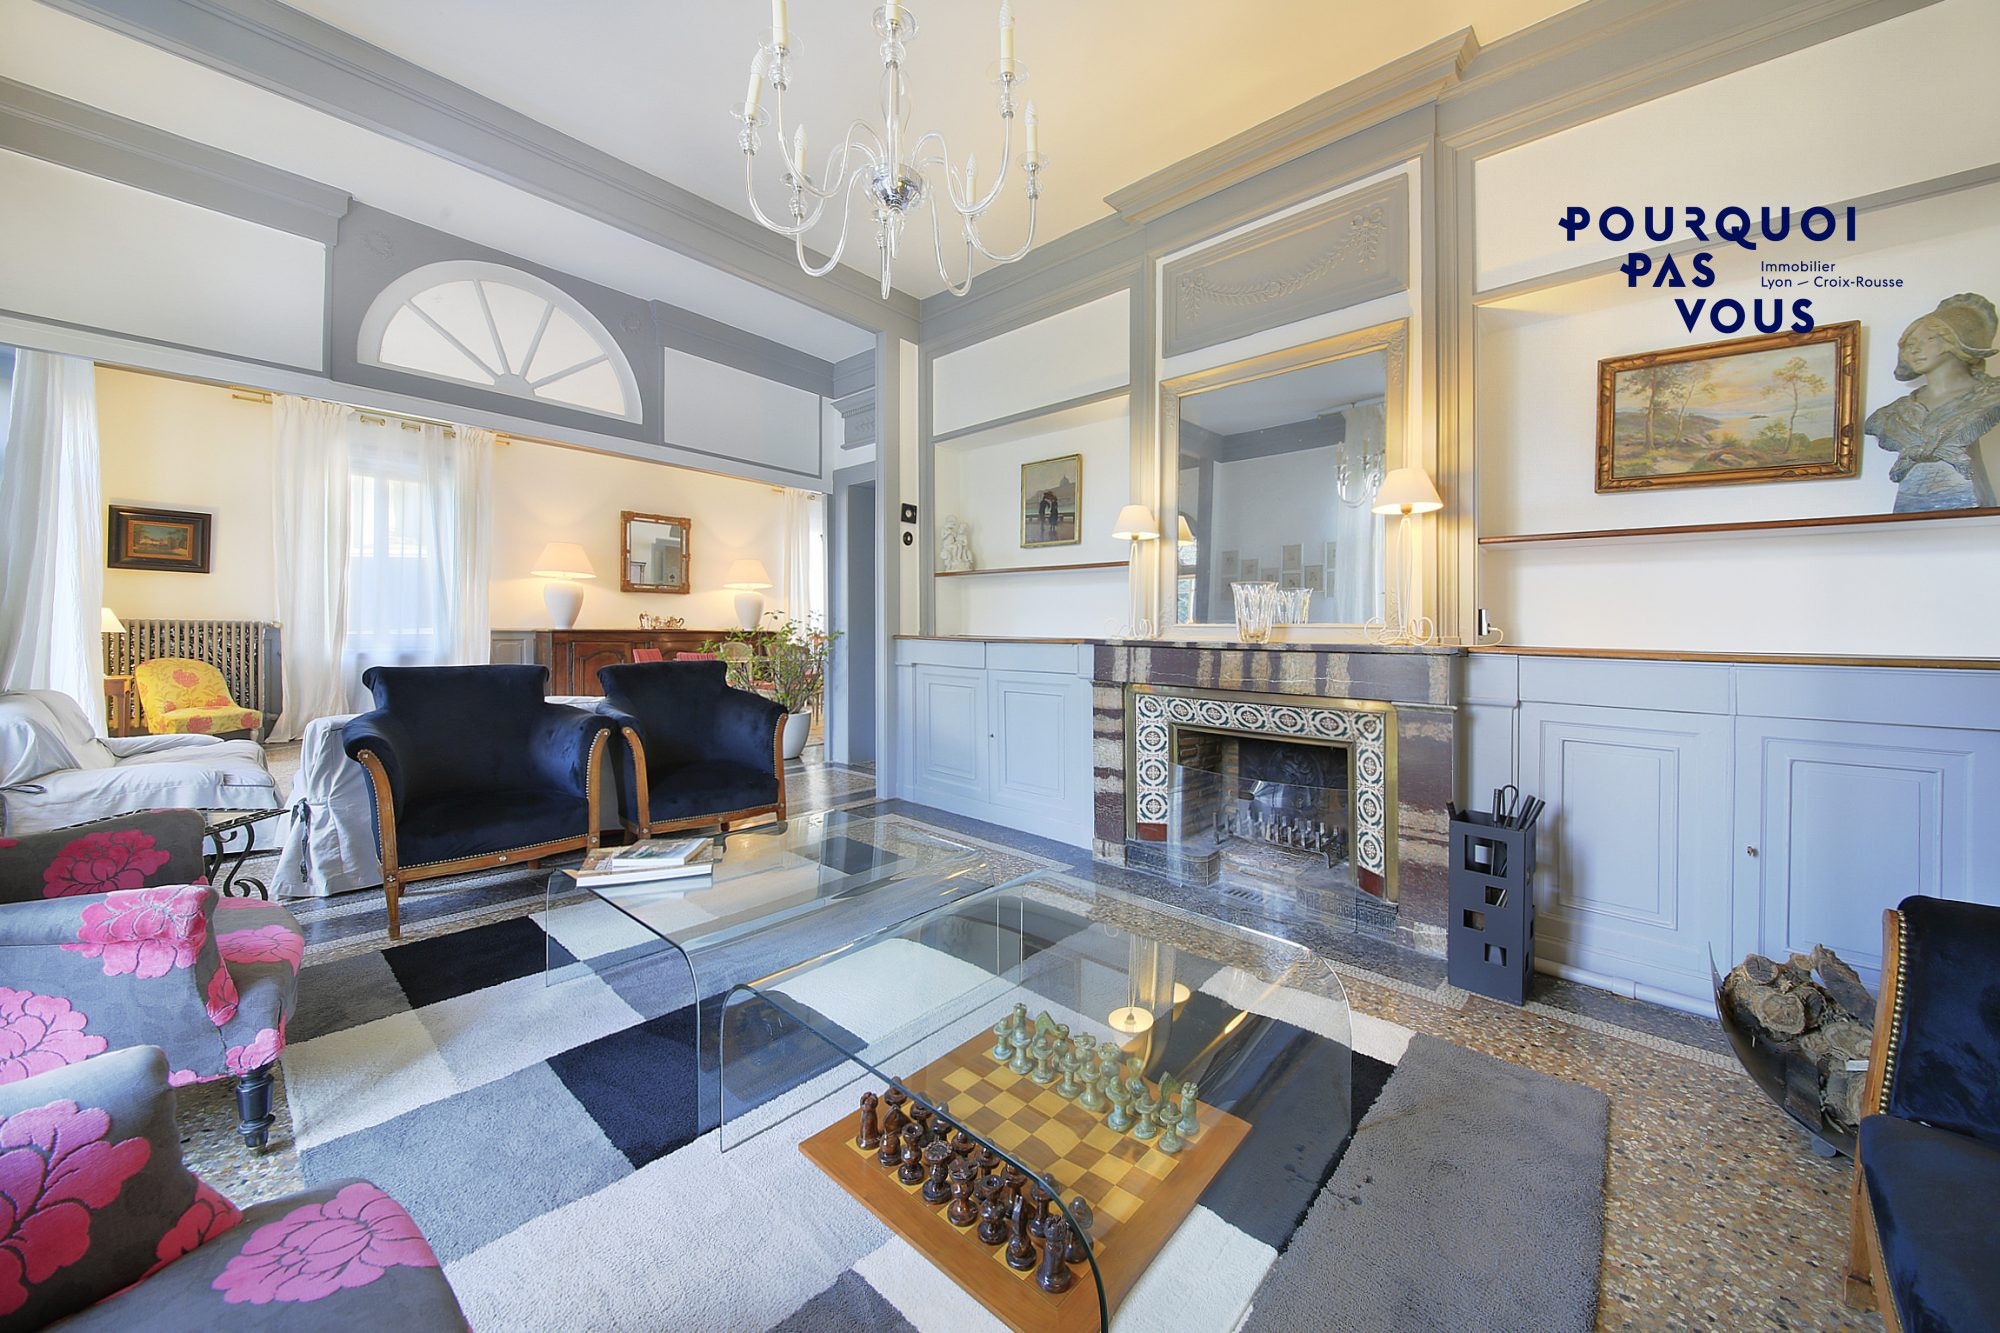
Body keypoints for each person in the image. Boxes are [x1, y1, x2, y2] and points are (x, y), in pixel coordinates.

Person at [1864, 292, 2000, 512]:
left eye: (1928, 339)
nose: (1914, 349)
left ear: (1955, 341)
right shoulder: (1889, 415)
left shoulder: (1992, 396)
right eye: (1910, 344)